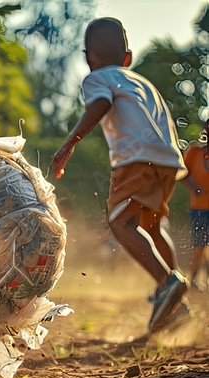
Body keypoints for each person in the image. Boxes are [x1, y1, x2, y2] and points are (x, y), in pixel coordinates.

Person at [50, 17, 189, 333]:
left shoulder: (97, 78)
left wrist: (69, 144)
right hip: (167, 160)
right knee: (152, 226)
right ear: (128, 58)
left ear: (88, 58)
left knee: (120, 222)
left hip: (135, 159)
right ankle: (176, 302)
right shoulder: (142, 82)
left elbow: (100, 103)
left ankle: (168, 283)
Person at [181, 120, 209, 290]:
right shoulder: (194, 151)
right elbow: (181, 172)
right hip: (199, 208)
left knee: (204, 245)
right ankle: (191, 281)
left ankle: (200, 280)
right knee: (200, 245)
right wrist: (195, 187)